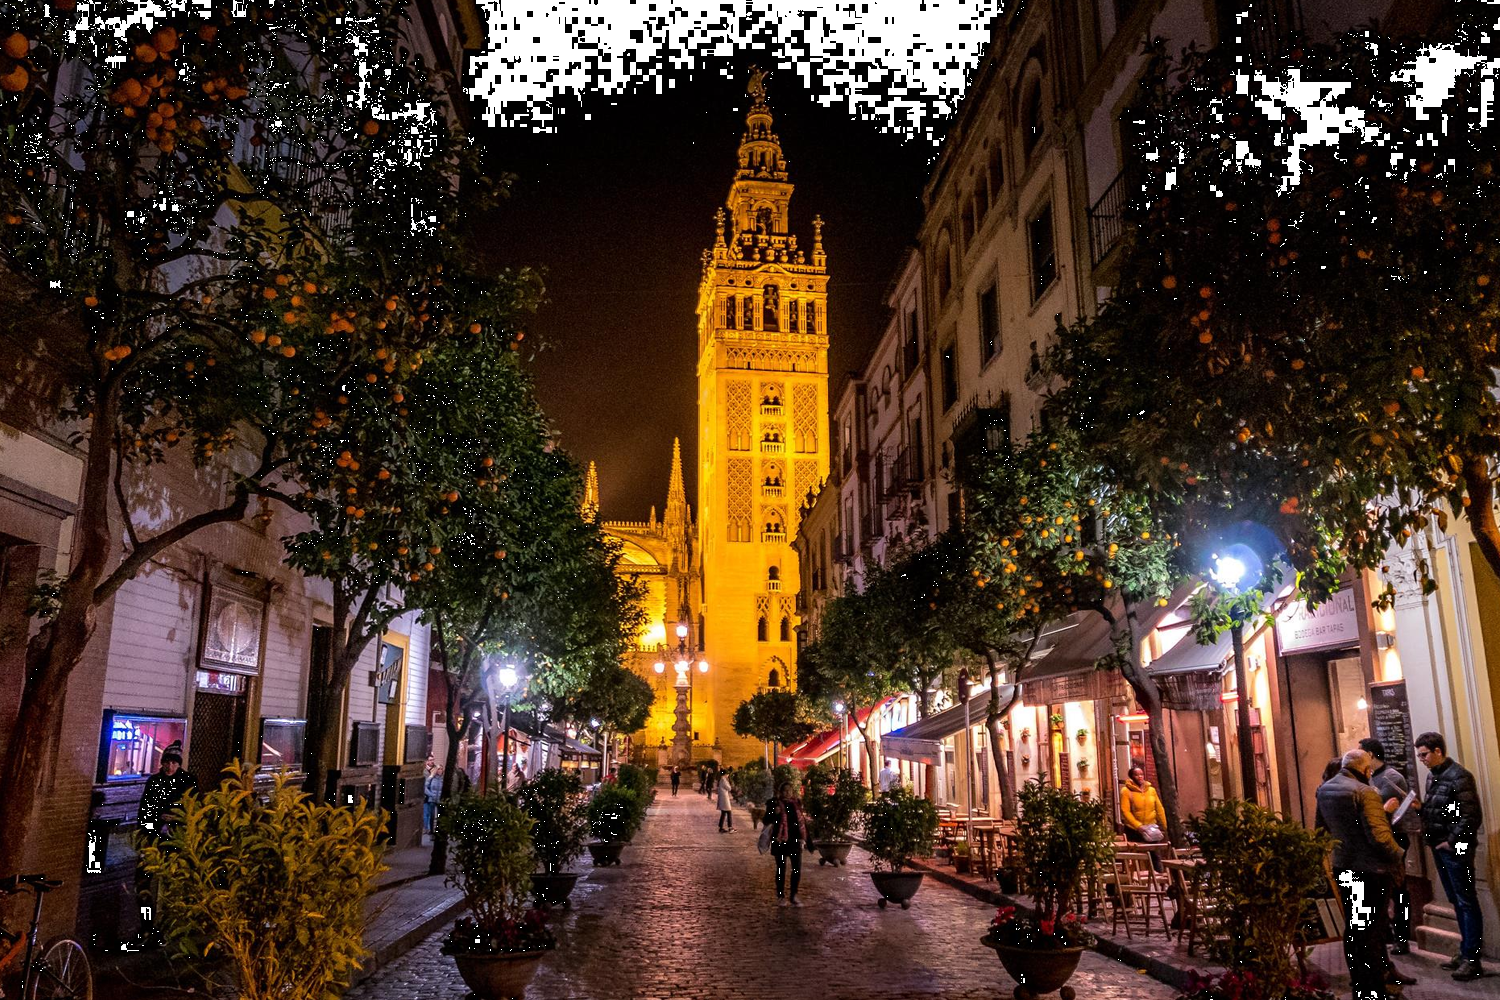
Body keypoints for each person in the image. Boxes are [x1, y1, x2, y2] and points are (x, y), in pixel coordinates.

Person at [1315, 748, 1406, 1000]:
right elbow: (1379, 837)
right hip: (1371, 871)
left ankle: (1359, 983)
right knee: (1371, 931)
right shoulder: (1366, 792)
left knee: (1354, 929)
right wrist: (1398, 855)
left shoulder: (1324, 790)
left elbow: (1321, 830)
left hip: (1343, 867)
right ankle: (1373, 990)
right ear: (1366, 770)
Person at [1413, 731, 1485, 981]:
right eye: (1419, 755)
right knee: (1456, 901)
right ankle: (1465, 951)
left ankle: (1472, 958)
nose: (1421, 759)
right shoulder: (1433, 778)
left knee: (1466, 901)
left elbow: (1471, 816)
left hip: (1455, 850)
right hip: (1439, 846)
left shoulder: (1459, 776)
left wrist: (1451, 842)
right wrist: (1421, 810)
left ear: (1438, 751)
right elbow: (1438, 811)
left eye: (1424, 754)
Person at [1359, 738, 1418, 967]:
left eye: (1362, 753)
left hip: (1395, 837)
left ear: (1371, 755)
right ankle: (1388, 933)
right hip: (1378, 839)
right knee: (1383, 889)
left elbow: (1380, 806)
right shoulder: (1369, 777)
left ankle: (1401, 938)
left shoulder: (1391, 777)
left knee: (1398, 888)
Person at [134, 740, 198, 946]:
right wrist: (156, 820)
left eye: (174, 763)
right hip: (152, 838)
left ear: (179, 764)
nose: (170, 767)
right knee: (142, 883)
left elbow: (193, 809)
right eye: (167, 762)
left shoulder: (188, 782)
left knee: (168, 886)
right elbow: (144, 810)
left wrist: (176, 820)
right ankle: (146, 927)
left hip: (173, 841)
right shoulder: (154, 782)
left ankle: (163, 929)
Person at [763, 781, 814, 906]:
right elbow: (766, 820)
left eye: (789, 790)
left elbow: (802, 823)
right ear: (780, 792)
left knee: (796, 869)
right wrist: (774, 813)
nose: (787, 793)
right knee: (781, 869)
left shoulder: (796, 804)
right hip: (780, 841)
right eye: (785, 790)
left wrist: (808, 841)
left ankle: (794, 895)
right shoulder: (774, 803)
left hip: (795, 841)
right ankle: (780, 896)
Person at [1119, 765, 1168, 871]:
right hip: (1134, 830)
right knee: (1136, 857)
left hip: (1151, 828)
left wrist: (1165, 826)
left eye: (1141, 774)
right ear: (1131, 777)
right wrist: (1138, 826)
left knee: (1155, 855)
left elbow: (1159, 809)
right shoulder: (1126, 791)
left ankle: (1159, 880)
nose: (1140, 777)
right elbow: (1125, 811)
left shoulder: (1151, 790)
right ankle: (1136, 880)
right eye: (1136, 775)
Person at [424, 764, 444, 834]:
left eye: (441, 769)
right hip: (432, 800)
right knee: (431, 816)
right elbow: (425, 788)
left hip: (440, 800)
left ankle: (439, 831)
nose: (439, 771)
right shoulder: (431, 778)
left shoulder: (443, 779)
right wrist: (431, 795)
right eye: (438, 769)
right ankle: (431, 831)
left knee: (440, 816)